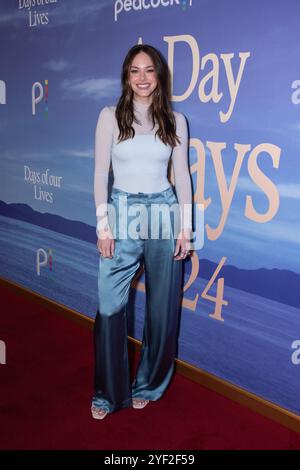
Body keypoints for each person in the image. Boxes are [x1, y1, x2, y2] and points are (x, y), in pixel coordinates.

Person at [91, 44, 192, 420]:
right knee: (109, 305)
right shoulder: (109, 116)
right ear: (126, 76)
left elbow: (181, 174)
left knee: (162, 308)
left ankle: (148, 384)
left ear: (159, 75)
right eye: (135, 71)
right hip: (123, 211)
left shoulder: (175, 120)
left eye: (149, 70)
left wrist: (185, 226)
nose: (143, 78)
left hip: (164, 212)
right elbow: (102, 172)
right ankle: (106, 394)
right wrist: (103, 224)